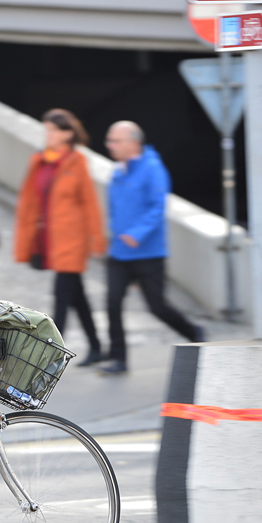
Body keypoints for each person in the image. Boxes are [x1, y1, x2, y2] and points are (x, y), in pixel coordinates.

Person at [101, 121, 204, 375]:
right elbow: (114, 209)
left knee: (157, 307)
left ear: (133, 143)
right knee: (112, 302)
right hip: (119, 252)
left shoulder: (153, 168)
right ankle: (118, 358)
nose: (109, 145)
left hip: (148, 253)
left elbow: (157, 207)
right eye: (110, 140)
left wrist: (137, 233)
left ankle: (194, 332)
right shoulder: (118, 171)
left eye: (115, 141)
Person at [14, 109, 106, 366]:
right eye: (47, 129)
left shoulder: (76, 161)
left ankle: (52, 356)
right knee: (77, 296)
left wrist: (96, 239)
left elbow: (89, 203)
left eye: (53, 130)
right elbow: (29, 202)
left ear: (67, 134)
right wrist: (26, 240)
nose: (48, 134)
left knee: (62, 296)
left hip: (72, 240)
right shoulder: (40, 161)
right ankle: (96, 347)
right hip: (50, 240)